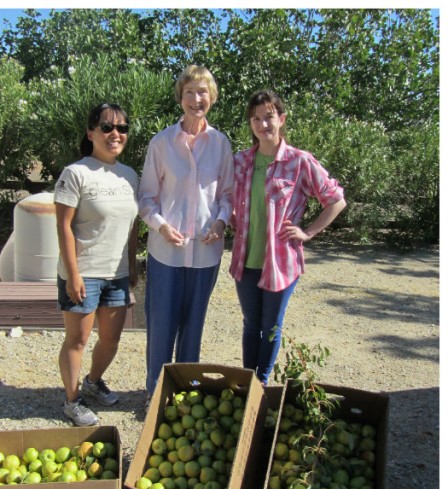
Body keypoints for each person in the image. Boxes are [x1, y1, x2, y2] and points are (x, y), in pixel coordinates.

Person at [229, 90, 347, 383]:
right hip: (246, 260)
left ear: (280, 119)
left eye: (268, 117)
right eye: (255, 119)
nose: (262, 124)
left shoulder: (299, 161)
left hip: (281, 262)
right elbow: (224, 197)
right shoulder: (240, 161)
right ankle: (248, 383)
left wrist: (309, 232)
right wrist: (230, 218)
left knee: (271, 326)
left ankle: (263, 381)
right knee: (250, 324)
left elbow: (336, 200)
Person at [138, 66, 233, 405]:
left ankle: (187, 393)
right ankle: (155, 393)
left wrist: (221, 222)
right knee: (161, 326)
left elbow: (226, 196)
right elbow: (146, 198)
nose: (197, 99)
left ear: (212, 97)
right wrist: (161, 225)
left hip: (206, 253)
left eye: (203, 92)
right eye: (190, 91)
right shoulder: (162, 143)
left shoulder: (221, 144)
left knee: (193, 328)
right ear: (181, 97)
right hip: (166, 252)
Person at [54, 102, 140, 426]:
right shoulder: (75, 173)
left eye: (122, 128)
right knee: (77, 340)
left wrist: (132, 265)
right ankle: (72, 400)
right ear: (91, 133)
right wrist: (73, 273)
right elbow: (63, 226)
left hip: (116, 275)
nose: (115, 134)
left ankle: (92, 381)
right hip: (84, 273)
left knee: (111, 339)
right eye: (107, 127)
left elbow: (132, 226)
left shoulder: (130, 175)